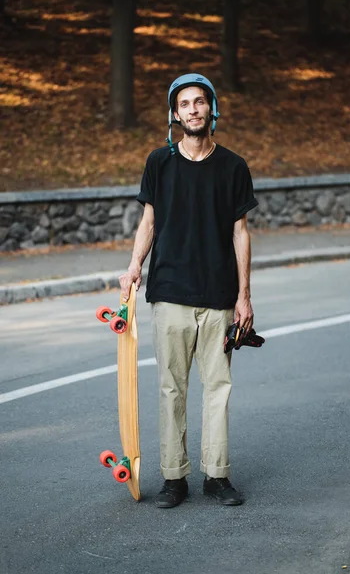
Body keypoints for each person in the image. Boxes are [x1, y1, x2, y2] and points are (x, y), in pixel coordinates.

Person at [119, 73, 259, 508]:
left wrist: (244, 295)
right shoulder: (159, 162)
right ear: (174, 114)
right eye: (185, 104)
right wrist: (134, 266)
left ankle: (217, 476)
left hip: (219, 297)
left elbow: (241, 232)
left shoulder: (233, 166)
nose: (193, 110)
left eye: (200, 102)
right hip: (171, 293)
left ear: (211, 109)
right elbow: (149, 222)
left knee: (218, 388)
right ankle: (174, 478)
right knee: (170, 389)